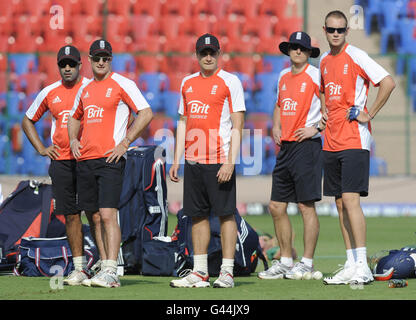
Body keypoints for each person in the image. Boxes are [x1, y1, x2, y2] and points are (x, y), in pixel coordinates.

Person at [68, 39, 153, 288]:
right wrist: (73, 138)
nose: (101, 62)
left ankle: (111, 270)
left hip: (110, 158)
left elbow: (145, 113)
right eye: (97, 58)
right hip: (86, 159)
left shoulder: (123, 83)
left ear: (111, 60)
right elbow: (74, 117)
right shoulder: (85, 89)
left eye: (105, 58)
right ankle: (104, 266)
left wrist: (125, 142)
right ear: (90, 60)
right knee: (93, 216)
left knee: (107, 214)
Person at [319, 11, 396, 285]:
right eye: (331, 29)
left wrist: (370, 113)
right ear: (325, 30)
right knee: (339, 204)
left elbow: (388, 82)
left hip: (354, 138)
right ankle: (351, 263)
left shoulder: (358, 56)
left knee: (351, 200)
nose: (336, 33)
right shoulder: (324, 61)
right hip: (331, 139)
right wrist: (323, 112)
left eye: (341, 29)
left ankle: (363, 265)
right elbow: (323, 91)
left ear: (346, 31)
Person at [22, 45, 106, 285]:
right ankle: (79, 268)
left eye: (72, 64)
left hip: (89, 159)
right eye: (63, 64)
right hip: (61, 161)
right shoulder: (49, 92)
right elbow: (28, 120)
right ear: (58, 67)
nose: (67, 68)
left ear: (81, 65)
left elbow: (118, 113)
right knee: (71, 216)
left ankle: (105, 264)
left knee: (97, 215)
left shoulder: (93, 87)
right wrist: (41, 148)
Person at [169, 33, 245, 288]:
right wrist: (177, 159)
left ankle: (227, 272)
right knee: (197, 216)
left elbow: (238, 123)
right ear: (197, 55)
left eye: (212, 52)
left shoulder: (230, 82)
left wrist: (230, 161)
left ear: (219, 54)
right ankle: (200, 272)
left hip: (219, 159)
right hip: (193, 161)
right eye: (204, 53)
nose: (208, 57)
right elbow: (182, 122)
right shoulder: (187, 83)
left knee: (225, 215)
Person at [257, 32, 325, 280]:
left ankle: (306, 262)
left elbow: (331, 107)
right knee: (276, 206)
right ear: (288, 50)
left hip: (307, 147)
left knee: (306, 206)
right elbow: (278, 104)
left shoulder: (316, 75)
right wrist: (275, 126)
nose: (297, 51)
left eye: (302, 48)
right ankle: (285, 261)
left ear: (308, 52)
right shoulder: (283, 76)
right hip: (285, 148)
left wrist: (316, 128)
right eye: (294, 47)